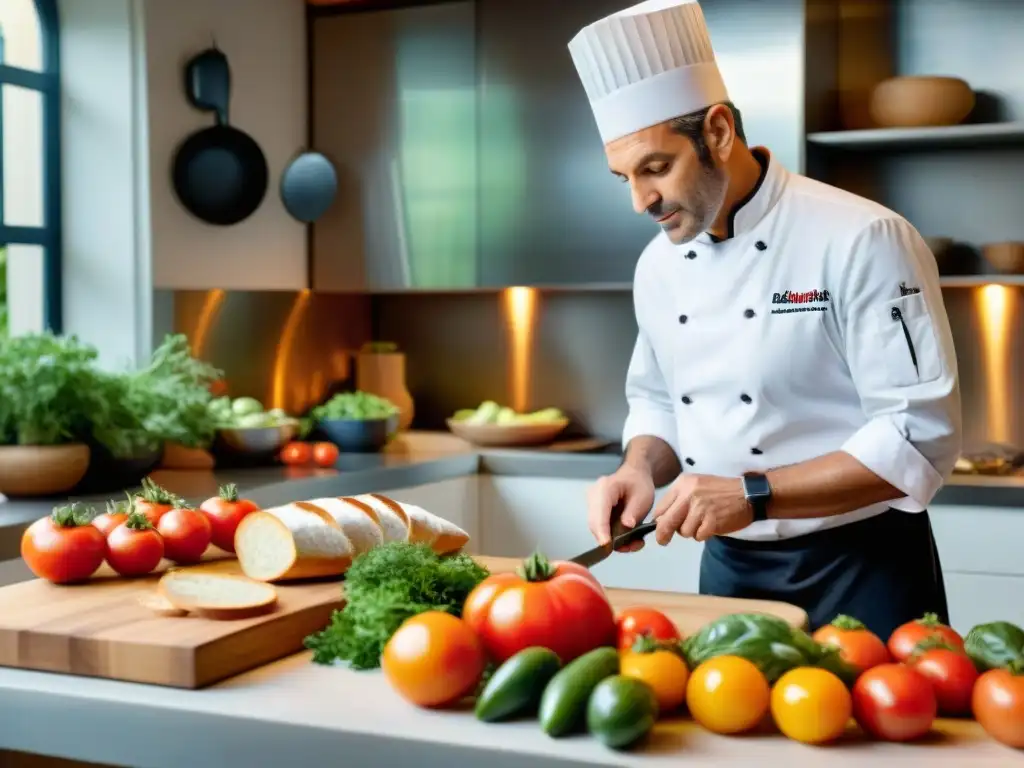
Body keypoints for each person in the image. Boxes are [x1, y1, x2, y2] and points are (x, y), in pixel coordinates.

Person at [569, 0, 962, 638]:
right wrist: (638, 468)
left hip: (863, 569)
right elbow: (660, 402)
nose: (642, 200)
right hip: (729, 573)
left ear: (718, 132)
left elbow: (919, 435)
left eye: (656, 168)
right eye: (624, 178)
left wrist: (751, 493)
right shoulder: (658, 266)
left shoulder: (863, 237)